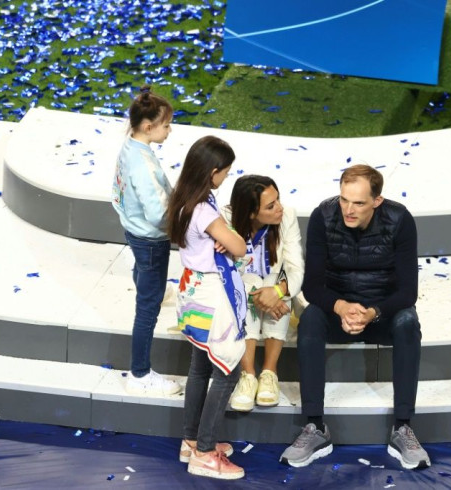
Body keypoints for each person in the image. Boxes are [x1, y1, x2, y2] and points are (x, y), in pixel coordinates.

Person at [280, 164, 430, 470]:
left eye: (358, 203)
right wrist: (340, 308)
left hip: (382, 312)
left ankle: (403, 427)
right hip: (338, 310)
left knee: (408, 322)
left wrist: (373, 312)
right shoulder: (324, 216)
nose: (348, 209)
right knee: (309, 320)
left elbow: (408, 292)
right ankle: (315, 427)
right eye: (344, 200)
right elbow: (312, 285)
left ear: (377, 201)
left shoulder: (400, 219)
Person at [168, 135, 248, 480]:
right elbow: (240, 247)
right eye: (225, 173)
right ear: (213, 171)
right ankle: (204, 451)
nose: (225, 178)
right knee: (227, 369)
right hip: (213, 294)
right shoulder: (204, 209)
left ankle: (192, 439)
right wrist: (228, 235)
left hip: (192, 291)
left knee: (200, 365)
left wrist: (223, 235)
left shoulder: (184, 198)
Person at [111, 86, 180, 396]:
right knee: (147, 309)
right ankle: (139, 374)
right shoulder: (144, 165)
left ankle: (149, 285)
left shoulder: (131, 148)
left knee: (145, 276)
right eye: (166, 125)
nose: (169, 130)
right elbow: (157, 214)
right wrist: (181, 228)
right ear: (149, 126)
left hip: (133, 228)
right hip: (150, 238)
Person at [223, 175, 305, 411]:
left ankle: (269, 372)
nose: (279, 207)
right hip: (238, 288)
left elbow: (295, 267)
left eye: (278, 200)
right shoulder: (225, 219)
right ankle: (247, 375)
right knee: (249, 284)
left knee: (276, 282)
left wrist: (278, 291)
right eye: (270, 206)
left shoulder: (287, 216)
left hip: (274, 285)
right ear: (250, 213)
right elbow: (226, 272)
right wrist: (259, 294)